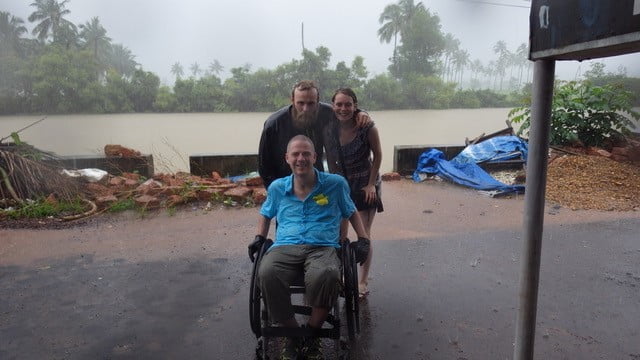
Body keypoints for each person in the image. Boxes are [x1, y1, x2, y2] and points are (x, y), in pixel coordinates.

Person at [249, 135, 370, 360]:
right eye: (295, 154)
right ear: (287, 158)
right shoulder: (277, 188)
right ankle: (294, 334)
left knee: (327, 274)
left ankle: (312, 333)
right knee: (266, 273)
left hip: (323, 246)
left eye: (306, 153)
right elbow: (265, 214)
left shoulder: (335, 184)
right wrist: (259, 237)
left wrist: (363, 239)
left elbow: (350, 210)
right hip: (285, 246)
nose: (301, 158)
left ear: (316, 157)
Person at [258, 80, 371, 189]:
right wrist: (276, 193)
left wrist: (360, 113)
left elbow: (344, 112)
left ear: (318, 101)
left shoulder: (326, 113)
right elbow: (264, 167)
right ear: (292, 100)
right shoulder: (274, 125)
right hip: (285, 184)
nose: (306, 109)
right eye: (300, 103)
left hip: (316, 181)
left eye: (311, 103)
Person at [332, 88, 383, 298]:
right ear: (333, 106)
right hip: (340, 185)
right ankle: (340, 276)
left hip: (365, 184)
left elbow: (378, 155)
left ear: (355, 105)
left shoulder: (366, 126)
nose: (343, 109)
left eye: (349, 104)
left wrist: (371, 185)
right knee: (339, 235)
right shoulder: (329, 125)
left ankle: (362, 281)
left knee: (364, 235)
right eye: (339, 104)